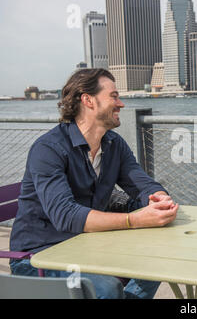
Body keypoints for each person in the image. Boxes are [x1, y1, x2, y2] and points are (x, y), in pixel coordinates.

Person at [9, 69, 179, 299]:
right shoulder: (48, 149)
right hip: (38, 258)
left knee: (162, 255)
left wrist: (159, 199)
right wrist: (133, 220)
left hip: (87, 247)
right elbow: (66, 215)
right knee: (107, 287)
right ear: (88, 100)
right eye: (114, 96)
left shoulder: (113, 143)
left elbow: (142, 185)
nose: (121, 104)